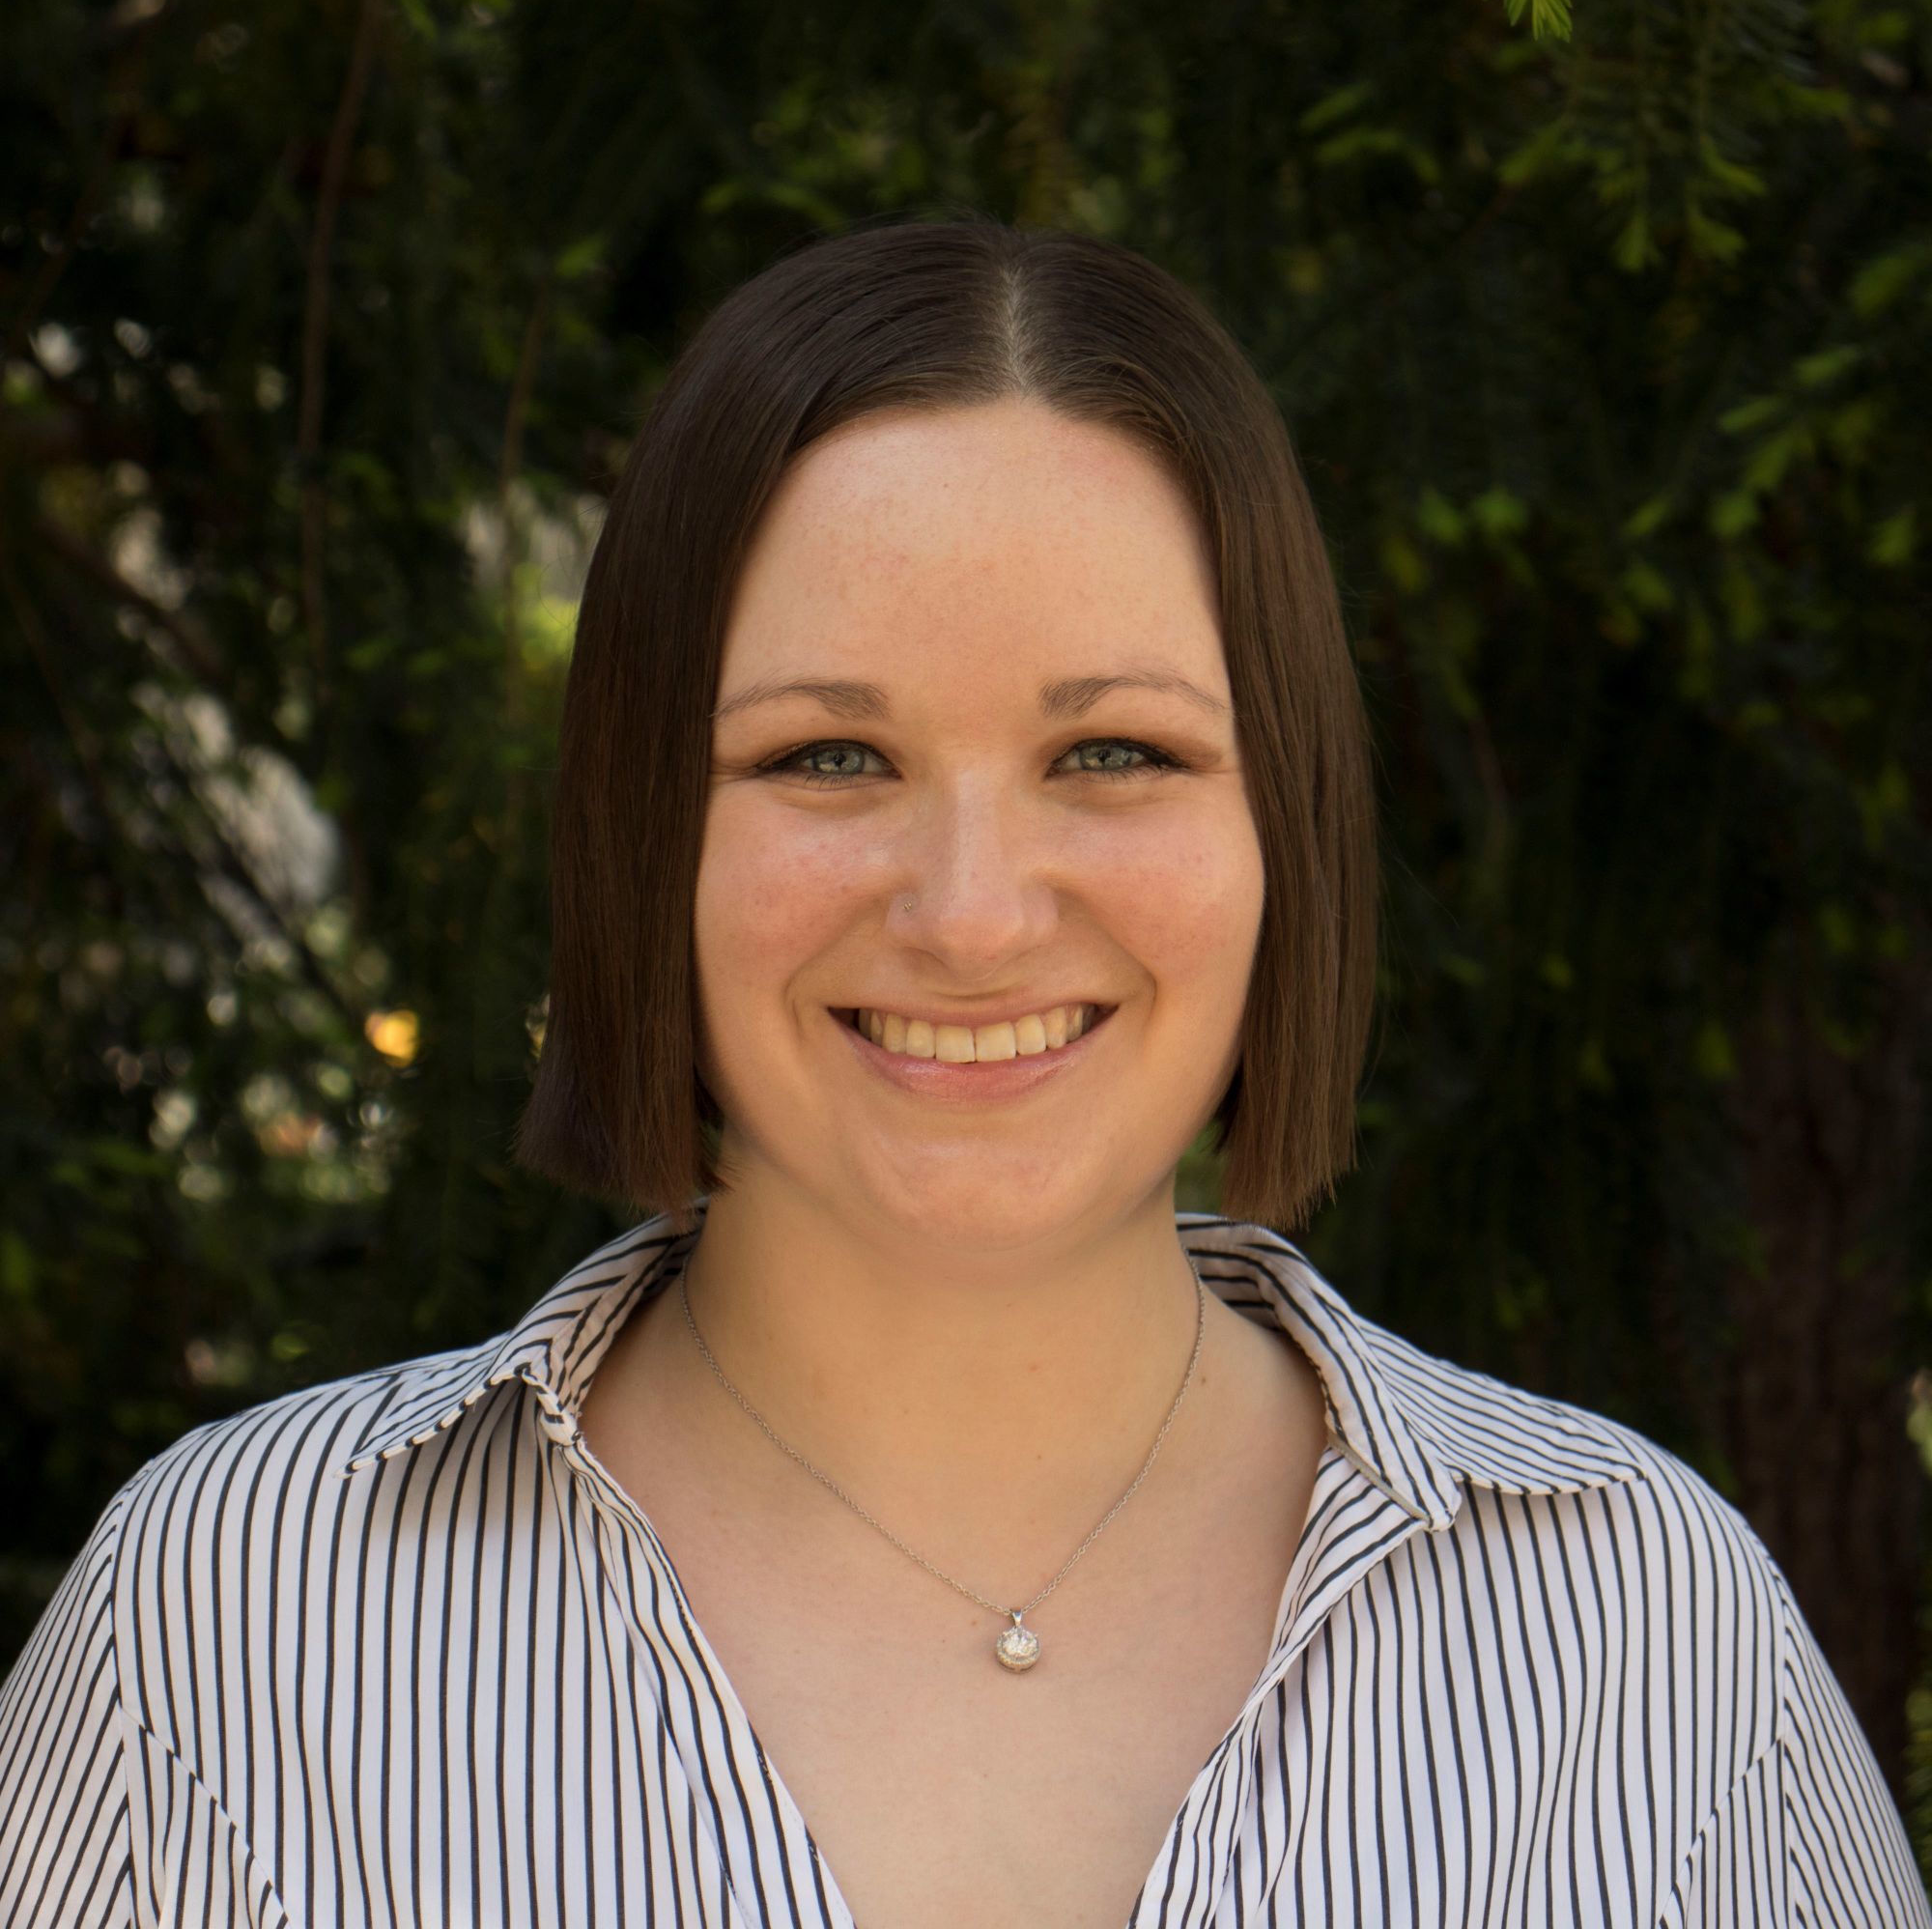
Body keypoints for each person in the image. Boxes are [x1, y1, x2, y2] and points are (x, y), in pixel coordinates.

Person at [1, 213, 1923, 1929]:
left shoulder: (1640, 1636)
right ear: (642, 830)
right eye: (828, 759)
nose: (976, 912)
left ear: (1290, 836)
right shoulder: (229, 1621)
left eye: (1116, 756)